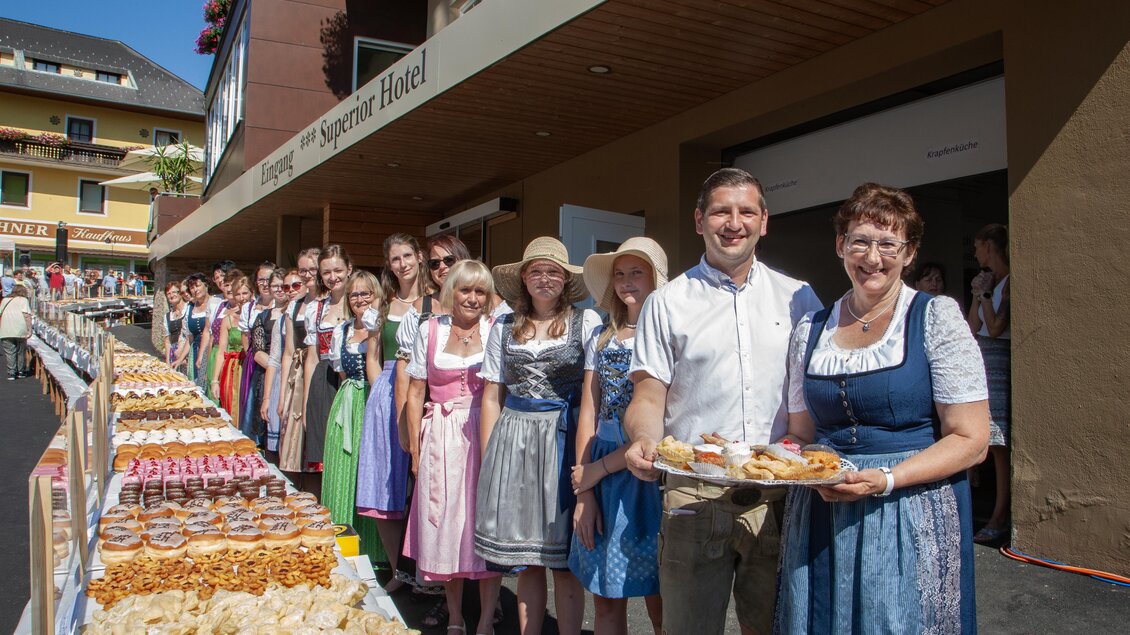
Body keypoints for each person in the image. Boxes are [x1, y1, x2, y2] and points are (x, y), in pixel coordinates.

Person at [775, 183, 989, 633]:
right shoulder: (810, 330)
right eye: (860, 241)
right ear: (841, 246)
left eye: (889, 243)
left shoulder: (936, 317)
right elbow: (800, 432)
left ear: (909, 254)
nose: (873, 257)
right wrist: (771, 460)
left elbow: (972, 440)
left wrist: (888, 478)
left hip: (911, 507)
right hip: (822, 509)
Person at [623, 168, 822, 635]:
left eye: (746, 211)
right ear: (699, 220)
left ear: (764, 221)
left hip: (779, 494)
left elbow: (809, 398)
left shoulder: (800, 298)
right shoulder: (667, 302)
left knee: (775, 627)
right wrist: (644, 439)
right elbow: (648, 395)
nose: (734, 223)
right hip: (695, 491)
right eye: (720, 212)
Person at [476, 236, 600, 635]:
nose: (545, 278)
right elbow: (492, 395)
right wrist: (489, 456)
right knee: (528, 558)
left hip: (562, 439)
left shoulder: (588, 322)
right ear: (524, 279)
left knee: (563, 559)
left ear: (565, 280)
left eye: (553, 272)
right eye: (536, 271)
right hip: (514, 440)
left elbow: (591, 393)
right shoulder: (502, 326)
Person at [569, 238, 668, 635]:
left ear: (656, 280)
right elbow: (589, 412)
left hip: (652, 470)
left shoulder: (668, 335)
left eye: (637, 272)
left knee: (662, 598)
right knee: (607, 599)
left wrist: (598, 471)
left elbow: (664, 419)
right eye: (621, 274)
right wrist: (584, 490)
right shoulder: (603, 336)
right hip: (604, 471)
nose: (627, 281)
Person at [403, 260, 503, 635]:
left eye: (480, 291)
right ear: (451, 292)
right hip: (441, 435)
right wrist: (414, 449)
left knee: (483, 521)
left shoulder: (496, 329)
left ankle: (486, 617)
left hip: (485, 432)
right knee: (445, 523)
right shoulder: (429, 329)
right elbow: (415, 393)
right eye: (465, 290)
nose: (473, 298)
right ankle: (457, 615)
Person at [357, 234, 422, 589]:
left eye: (407, 255)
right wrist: (379, 393)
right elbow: (373, 357)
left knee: (422, 483)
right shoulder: (382, 307)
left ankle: (431, 572)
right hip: (386, 392)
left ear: (419, 257)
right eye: (395, 258)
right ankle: (400, 571)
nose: (402, 264)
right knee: (384, 485)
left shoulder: (435, 302)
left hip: (424, 392)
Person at [323, 270, 384, 558]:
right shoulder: (342, 330)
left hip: (372, 399)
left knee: (368, 472)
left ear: (376, 295)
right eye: (354, 294)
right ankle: (343, 542)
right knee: (344, 469)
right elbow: (342, 372)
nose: (360, 299)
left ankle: (374, 551)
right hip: (348, 400)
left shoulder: (381, 327)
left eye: (365, 293)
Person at [967, 223, 1011, 545]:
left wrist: (985, 296)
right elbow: (974, 325)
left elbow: (996, 327)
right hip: (985, 359)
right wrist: (977, 294)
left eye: (978, 246)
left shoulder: (1009, 282)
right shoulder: (993, 283)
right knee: (990, 439)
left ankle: (999, 516)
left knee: (999, 444)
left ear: (989, 247)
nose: (975, 253)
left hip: (998, 359)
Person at [302, 245, 353, 498]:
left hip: (352, 380)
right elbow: (311, 357)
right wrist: (305, 402)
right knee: (326, 448)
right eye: (326, 273)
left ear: (349, 269)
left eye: (338, 270)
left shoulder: (360, 303)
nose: (333, 277)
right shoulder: (316, 309)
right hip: (323, 381)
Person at [278, 248, 322, 481]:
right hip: (298, 374)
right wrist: (283, 393)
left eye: (312, 269)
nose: (307, 275)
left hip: (322, 372)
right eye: (303, 270)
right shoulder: (294, 306)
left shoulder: (332, 302)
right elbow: (287, 353)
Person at [240, 261, 277, 445]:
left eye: (269, 279)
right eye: (261, 279)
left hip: (276, 367)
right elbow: (249, 342)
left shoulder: (285, 306)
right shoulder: (250, 308)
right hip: (256, 364)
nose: (265, 283)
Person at [261, 269, 293, 462]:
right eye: (286, 287)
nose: (288, 290)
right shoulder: (281, 320)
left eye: (294, 286)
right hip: (281, 379)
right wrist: (266, 398)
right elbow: (273, 359)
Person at [211, 272, 252, 420]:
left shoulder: (258, 316)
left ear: (252, 293)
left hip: (251, 367)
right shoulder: (228, 319)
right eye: (238, 294)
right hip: (233, 369)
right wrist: (215, 380)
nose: (242, 298)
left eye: (245, 293)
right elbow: (221, 351)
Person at [174, 274, 213, 393]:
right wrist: (180, 359)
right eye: (191, 287)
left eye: (197, 285)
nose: (195, 290)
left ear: (206, 285)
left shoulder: (216, 303)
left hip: (211, 351)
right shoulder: (190, 307)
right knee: (196, 388)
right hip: (195, 352)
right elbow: (189, 339)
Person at [0, 285, 33, 380]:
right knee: (20, 351)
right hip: (20, 327)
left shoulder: (5, 300)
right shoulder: (23, 300)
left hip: (6, 328)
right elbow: (26, 315)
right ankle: (20, 371)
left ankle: (11, 372)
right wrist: (29, 329)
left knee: (10, 352)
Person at [164, 281, 188, 369]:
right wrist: (167, 361)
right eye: (168, 293)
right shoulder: (167, 316)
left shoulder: (189, 309)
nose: (171, 295)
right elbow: (167, 341)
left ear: (180, 293)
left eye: (174, 292)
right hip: (173, 353)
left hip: (187, 351)